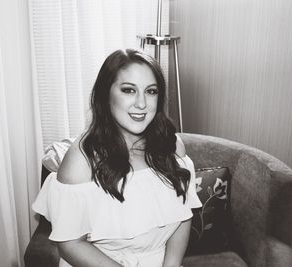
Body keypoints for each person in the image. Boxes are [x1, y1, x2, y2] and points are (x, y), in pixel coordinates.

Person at [32, 49, 202, 267]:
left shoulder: (172, 146)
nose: (141, 103)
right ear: (105, 94)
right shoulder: (81, 160)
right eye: (129, 90)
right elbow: (70, 244)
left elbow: (183, 215)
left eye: (151, 91)